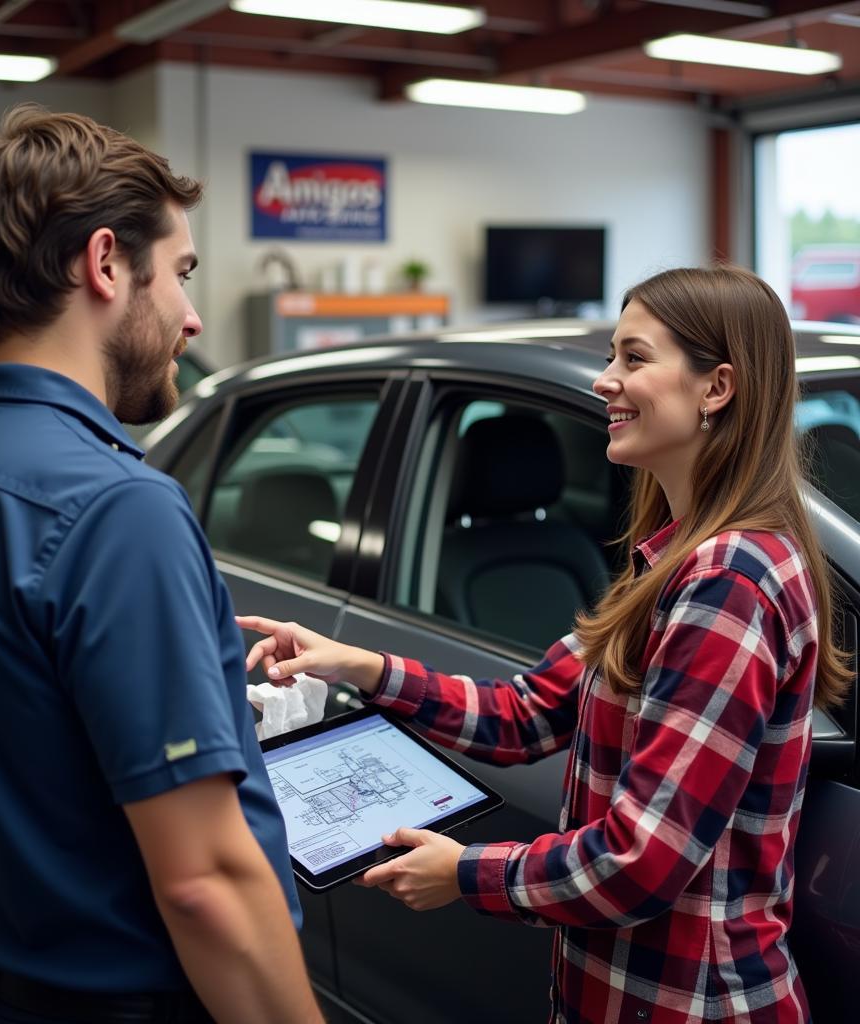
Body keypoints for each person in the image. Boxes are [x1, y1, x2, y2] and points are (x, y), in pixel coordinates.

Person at [237, 265, 851, 1024]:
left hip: (689, 1005)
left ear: (716, 387)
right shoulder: (672, 559)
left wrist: (465, 873)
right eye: (608, 359)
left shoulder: (732, 578)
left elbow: (641, 860)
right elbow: (525, 712)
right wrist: (357, 664)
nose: (606, 382)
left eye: (633, 358)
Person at [0, 104, 323, 1024]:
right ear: (106, 262)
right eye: (182, 275)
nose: (193, 319)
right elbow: (206, 886)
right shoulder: (117, 505)